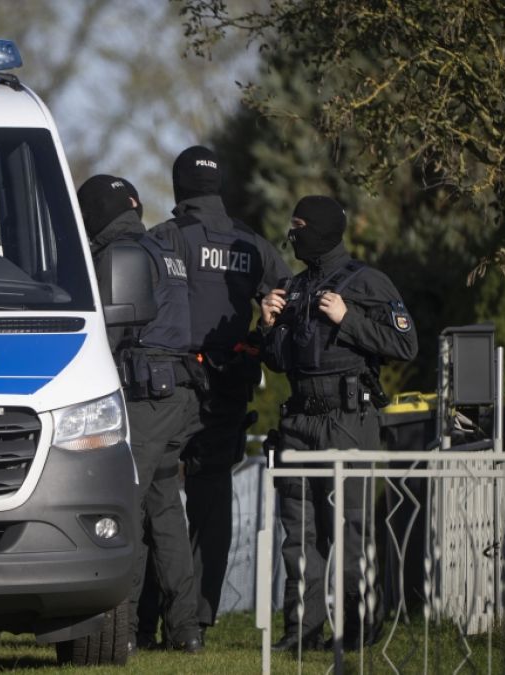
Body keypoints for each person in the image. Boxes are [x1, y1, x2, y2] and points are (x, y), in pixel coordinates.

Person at [259, 195, 417, 651]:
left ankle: (357, 630)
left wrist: (348, 321)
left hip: (348, 421)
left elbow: (405, 344)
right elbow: (278, 360)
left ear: (325, 229)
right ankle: (301, 632)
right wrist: (268, 324)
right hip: (299, 423)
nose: (294, 234)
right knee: (299, 531)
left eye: (301, 225)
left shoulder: (368, 282)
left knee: (349, 529)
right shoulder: (294, 287)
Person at [165, 146, 291, 638]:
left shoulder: (167, 239)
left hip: (171, 384)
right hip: (230, 384)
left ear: (180, 189)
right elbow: (288, 295)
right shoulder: (254, 245)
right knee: (212, 498)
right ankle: (198, 616)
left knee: (156, 496)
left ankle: (161, 613)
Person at [78, 174, 204, 654]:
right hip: (176, 394)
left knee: (123, 509)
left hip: (143, 397)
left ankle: (121, 629)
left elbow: (107, 338)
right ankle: (185, 631)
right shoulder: (162, 249)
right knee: (166, 512)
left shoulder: (119, 255)